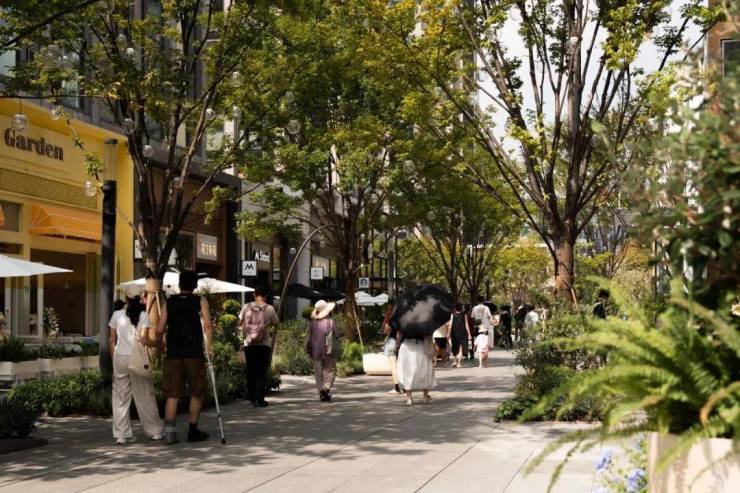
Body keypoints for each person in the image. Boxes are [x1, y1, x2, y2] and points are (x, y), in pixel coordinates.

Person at [157, 270, 212, 445]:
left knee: (172, 394)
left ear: (180, 284)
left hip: (173, 354)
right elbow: (207, 326)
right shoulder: (200, 301)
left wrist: (161, 344)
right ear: (195, 285)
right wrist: (209, 347)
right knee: (197, 392)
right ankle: (192, 430)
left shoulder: (169, 302)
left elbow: (159, 329)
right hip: (193, 354)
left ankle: (170, 434)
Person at [109, 296, 164, 444]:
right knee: (145, 394)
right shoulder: (143, 315)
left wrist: (114, 358)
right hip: (137, 358)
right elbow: (143, 339)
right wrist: (158, 344)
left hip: (120, 357)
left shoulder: (116, 315)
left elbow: (111, 340)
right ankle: (155, 432)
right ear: (140, 300)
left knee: (120, 397)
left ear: (127, 300)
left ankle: (122, 435)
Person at [239, 286, 279, 408]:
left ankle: (251, 397)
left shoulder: (246, 307)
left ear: (254, 294)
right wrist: (265, 325)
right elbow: (276, 323)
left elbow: (240, 321)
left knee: (250, 370)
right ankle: (259, 399)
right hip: (263, 344)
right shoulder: (270, 308)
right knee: (261, 371)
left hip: (249, 344)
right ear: (266, 295)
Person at [307, 300, 341, 402]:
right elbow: (337, 334)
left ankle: (321, 392)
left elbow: (308, 337)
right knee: (331, 370)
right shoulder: (330, 322)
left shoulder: (312, 323)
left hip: (315, 350)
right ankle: (325, 388)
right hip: (328, 350)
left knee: (318, 372)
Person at [397, 333, 436, 406]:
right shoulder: (424, 325)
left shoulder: (404, 325)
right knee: (425, 370)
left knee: (407, 371)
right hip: (422, 345)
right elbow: (429, 336)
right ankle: (425, 397)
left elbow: (399, 337)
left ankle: (409, 398)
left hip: (407, 346)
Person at [381, 299, 404, 394]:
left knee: (393, 366)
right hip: (401, 343)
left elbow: (385, 330)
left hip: (391, 342)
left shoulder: (390, 318)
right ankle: (403, 386)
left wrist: (386, 322)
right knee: (400, 366)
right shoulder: (401, 317)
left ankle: (397, 387)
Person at [449, 303, 472, 367]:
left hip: (454, 332)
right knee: (460, 348)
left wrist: (448, 333)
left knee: (454, 346)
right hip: (462, 332)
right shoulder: (464, 315)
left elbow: (450, 325)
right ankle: (459, 363)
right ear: (461, 308)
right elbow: (466, 324)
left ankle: (454, 361)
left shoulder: (452, 315)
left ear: (455, 308)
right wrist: (469, 334)